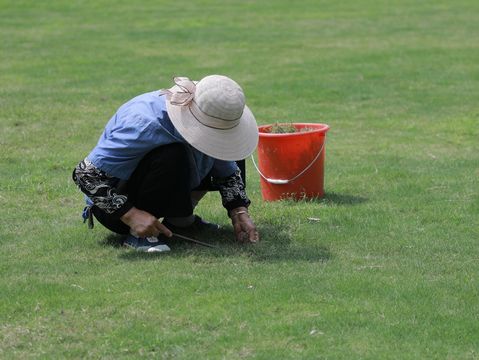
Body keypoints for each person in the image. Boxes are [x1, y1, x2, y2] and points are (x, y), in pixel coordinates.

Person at [72, 75, 260, 252]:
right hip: (115, 206)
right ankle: (138, 234)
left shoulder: (210, 114)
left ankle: (181, 221)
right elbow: (84, 174)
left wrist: (239, 211)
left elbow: (227, 170)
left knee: (230, 147)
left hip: (169, 184)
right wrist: (131, 215)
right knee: (172, 153)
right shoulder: (144, 124)